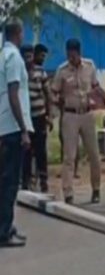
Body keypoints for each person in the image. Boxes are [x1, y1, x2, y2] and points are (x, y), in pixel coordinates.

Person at [52, 39, 105, 204]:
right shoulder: (62, 70)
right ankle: (68, 192)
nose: (71, 58)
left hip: (86, 114)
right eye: (68, 55)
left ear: (79, 53)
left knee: (94, 154)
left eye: (73, 54)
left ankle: (96, 189)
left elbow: (96, 86)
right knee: (69, 156)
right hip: (70, 115)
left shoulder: (89, 66)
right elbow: (53, 92)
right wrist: (58, 103)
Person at [0, 19, 32, 247]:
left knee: (6, 180)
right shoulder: (14, 58)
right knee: (10, 182)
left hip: (4, 126)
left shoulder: (2, 55)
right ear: (18, 34)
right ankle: (4, 232)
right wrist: (23, 129)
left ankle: (7, 226)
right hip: (12, 127)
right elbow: (13, 94)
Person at [22, 44, 51, 192]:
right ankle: (25, 181)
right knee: (26, 151)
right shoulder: (19, 73)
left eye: (30, 56)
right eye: (25, 57)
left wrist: (49, 116)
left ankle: (43, 180)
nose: (28, 60)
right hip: (25, 119)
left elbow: (48, 95)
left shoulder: (40, 72)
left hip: (39, 116)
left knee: (41, 151)